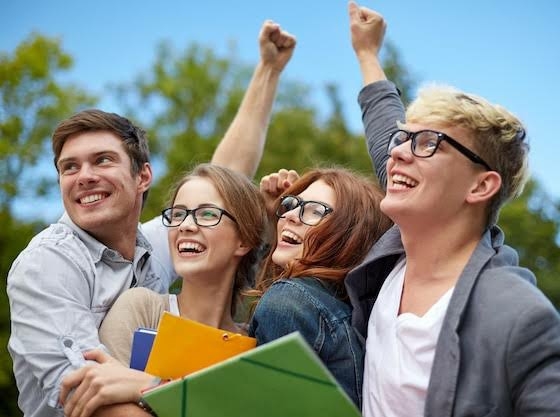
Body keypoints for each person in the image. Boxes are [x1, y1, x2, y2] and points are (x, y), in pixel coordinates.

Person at [7, 19, 296, 417]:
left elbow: (223, 179)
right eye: (69, 167)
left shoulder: (154, 248)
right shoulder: (48, 265)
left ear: (143, 176)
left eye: (102, 160)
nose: (84, 176)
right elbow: (86, 396)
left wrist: (268, 71)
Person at [346, 2, 560, 416]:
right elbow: (383, 127)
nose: (400, 155)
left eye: (427, 143)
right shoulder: (399, 246)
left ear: (480, 186)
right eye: (401, 140)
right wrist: (367, 53)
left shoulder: (520, 316)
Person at [59, 163, 269, 417]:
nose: (185, 226)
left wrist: (149, 386)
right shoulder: (142, 309)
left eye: (207, 214)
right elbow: (102, 401)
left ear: (244, 240)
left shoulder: (256, 347)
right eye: (178, 214)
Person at [248, 167, 392, 407]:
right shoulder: (349, 315)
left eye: (316, 211)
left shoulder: (289, 300)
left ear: (351, 235)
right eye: (291, 204)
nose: (290, 216)